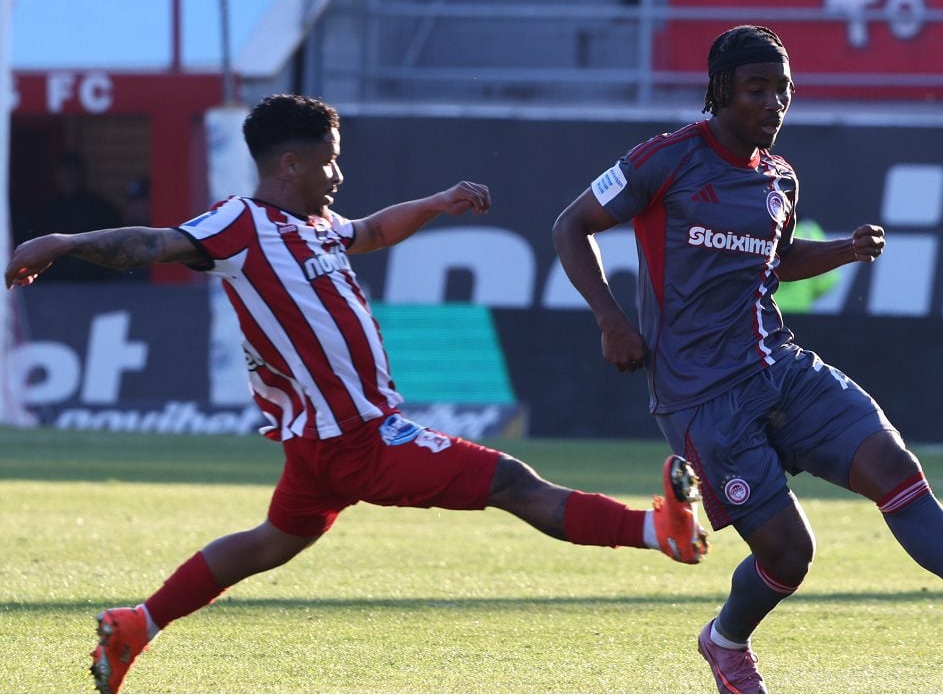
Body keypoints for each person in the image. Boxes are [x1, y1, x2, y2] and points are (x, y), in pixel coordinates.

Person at [5, 94, 709, 694]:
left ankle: (137, 624)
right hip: (357, 440)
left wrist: (436, 202)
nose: (338, 174)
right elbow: (152, 243)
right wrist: (63, 241)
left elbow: (370, 231)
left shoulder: (314, 228)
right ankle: (659, 532)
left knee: (269, 543)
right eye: (329, 161)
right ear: (290, 164)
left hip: (322, 445)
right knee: (513, 483)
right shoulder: (240, 225)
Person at [552, 25, 943, 693]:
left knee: (894, 468)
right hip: (702, 396)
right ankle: (724, 642)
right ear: (721, 91)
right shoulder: (664, 160)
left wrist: (845, 249)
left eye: (783, 90)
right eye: (757, 89)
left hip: (779, 366)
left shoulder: (779, 178)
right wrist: (611, 319)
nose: (774, 103)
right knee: (789, 555)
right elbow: (570, 225)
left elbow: (777, 261)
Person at [34, 153, 125, 281]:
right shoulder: (48, 210)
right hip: (55, 277)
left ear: (81, 174)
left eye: (72, 172)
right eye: (65, 172)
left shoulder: (98, 207)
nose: (69, 177)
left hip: (92, 276)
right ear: (56, 175)